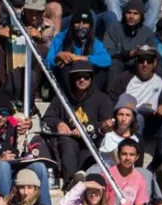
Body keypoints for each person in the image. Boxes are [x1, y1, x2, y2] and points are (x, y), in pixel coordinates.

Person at [41, 60, 113, 188]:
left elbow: (107, 124)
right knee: (67, 142)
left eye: (86, 77)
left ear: (91, 79)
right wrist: (58, 123)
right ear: (72, 78)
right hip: (68, 143)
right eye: (78, 77)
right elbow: (47, 118)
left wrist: (86, 130)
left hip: (93, 144)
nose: (82, 80)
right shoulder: (62, 98)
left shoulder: (102, 99)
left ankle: (87, 182)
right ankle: (71, 184)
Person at [0, 92, 52, 205]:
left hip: (14, 166)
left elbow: (23, 122)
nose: (0, 117)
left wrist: (24, 157)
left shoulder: (13, 126)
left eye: (4, 113)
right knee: (3, 166)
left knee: (39, 167)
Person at [107, 44, 162, 142]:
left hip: (153, 118)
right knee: (139, 117)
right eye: (141, 60)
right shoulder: (124, 78)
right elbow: (112, 101)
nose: (145, 64)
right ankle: (134, 147)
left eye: (149, 61)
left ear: (154, 62)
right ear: (136, 61)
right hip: (129, 120)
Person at [45, 10, 112, 92]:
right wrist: (57, 57)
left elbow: (107, 60)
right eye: (77, 22)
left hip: (86, 80)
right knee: (64, 64)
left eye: (85, 23)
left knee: (102, 70)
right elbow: (48, 63)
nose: (81, 26)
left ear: (90, 26)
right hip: (66, 80)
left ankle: (92, 96)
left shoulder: (95, 42)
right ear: (72, 24)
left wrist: (81, 58)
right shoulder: (61, 38)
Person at [106, 137, 148, 205]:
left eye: (132, 155)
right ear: (118, 155)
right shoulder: (107, 175)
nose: (127, 158)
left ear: (137, 157)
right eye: (124, 154)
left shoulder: (140, 179)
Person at [102, 0, 156, 81]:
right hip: (119, 63)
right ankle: (113, 93)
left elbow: (153, 52)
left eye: (135, 13)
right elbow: (107, 51)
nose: (131, 16)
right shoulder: (114, 29)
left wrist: (143, 53)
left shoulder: (147, 32)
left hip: (139, 64)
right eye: (129, 13)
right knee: (114, 64)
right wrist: (128, 53)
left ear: (141, 16)